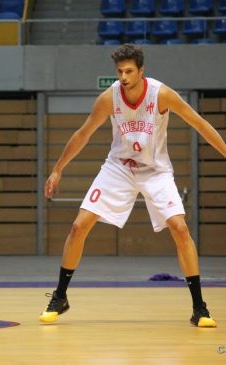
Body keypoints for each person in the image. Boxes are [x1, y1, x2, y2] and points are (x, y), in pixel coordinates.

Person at [39, 44, 226, 327]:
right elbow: (83, 134)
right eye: (119, 71)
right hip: (119, 168)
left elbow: (199, 123)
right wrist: (57, 169)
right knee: (79, 225)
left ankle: (199, 307)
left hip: (155, 171)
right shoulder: (109, 98)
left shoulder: (161, 94)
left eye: (129, 71)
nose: (124, 77)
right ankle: (60, 296)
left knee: (179, 227)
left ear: (141, 71)